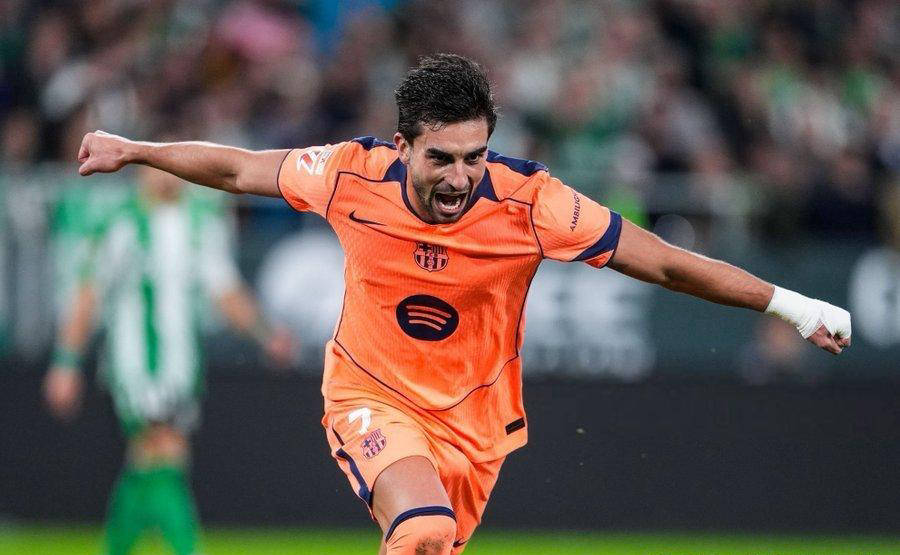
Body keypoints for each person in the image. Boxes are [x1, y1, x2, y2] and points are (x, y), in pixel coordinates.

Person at [71, 54, 851, 555]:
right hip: (370, 394)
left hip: (474, 426)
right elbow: (240, 170)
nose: (458, 178)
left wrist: (792, 305)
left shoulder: (531, 204)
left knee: (437, 542)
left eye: (474, 157)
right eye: (440, 158)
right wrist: (135, 150)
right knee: (423, 530)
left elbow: (669, 265)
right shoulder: (350, 174)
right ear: (403, 145)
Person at [43, 165, 293, 555]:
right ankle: (185, 548)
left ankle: (117, 548)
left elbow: (225, 293)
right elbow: (88, 295)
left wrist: (265, 333)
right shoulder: (121, 225)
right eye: (157, 166)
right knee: (166, 449)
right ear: (140, 172)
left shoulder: (197, 225)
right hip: (138, 362)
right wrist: (65, 361)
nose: (168, 176)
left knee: (147, 459)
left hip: (181, 365)